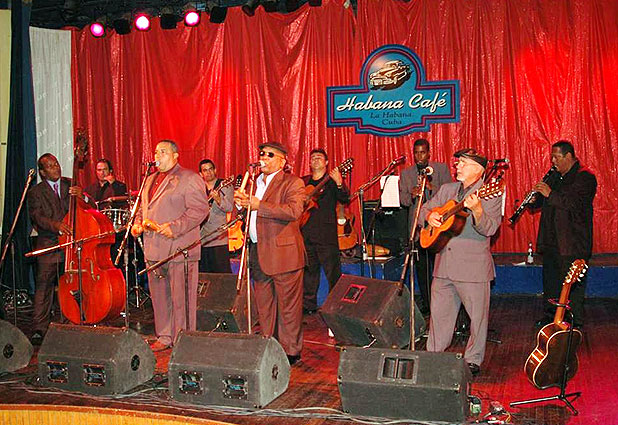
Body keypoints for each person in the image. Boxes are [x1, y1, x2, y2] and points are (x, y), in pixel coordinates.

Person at [419, 148, 502, 376]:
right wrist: (429, 216)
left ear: (479, 169)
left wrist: (477, 211)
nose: (458, 166)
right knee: (439, 317)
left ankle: (472, 360)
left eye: (464, 163)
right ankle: (433, 357)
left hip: (472, 268)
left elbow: (490, 228)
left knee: (477, 319)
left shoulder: (490, 194)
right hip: (443, 265)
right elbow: (424, 209)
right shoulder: (448, 190)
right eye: (458, 162)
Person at [131, 140, 209, 351]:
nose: (158, 156)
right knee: (159, 297)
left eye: (163, 152)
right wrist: (137, 223)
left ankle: (184, 340)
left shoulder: (189, 178)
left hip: (179, 249)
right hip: (153, 249)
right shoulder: (149, 180)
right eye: (156, 152)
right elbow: (143, 209)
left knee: (181, 299)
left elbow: (200, 210)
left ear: (175, 156)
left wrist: (175, 227)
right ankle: (165, 336)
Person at [233, 141, 305, 365]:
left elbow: (294, 211)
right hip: (258, 251)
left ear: (282, 162)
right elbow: (250, 216)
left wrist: (259, 205)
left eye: (270, 155)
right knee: (264, 307)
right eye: (262, 154)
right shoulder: (254, 183)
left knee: (288, 308)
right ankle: (268, 345)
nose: (263, 158)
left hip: (284, 254)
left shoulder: (292, 182)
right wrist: (240, 206)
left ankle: (290, 352)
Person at [532, 140, 596, 329]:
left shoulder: (585, 177)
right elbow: (544, 201)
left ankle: (573, 321)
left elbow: (575, 204)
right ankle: (551, 316)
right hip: (552, 241)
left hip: (573, 242)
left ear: (569, 156)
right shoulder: (555, 176)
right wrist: (533, 199)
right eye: (552, 157)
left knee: (572, 285)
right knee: (551, 281)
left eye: (557, 157)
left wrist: (549, 193)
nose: (553, 161)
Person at [27, 153, 87, 344]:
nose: (56, 168)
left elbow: (89, 207)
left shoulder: (70, 184)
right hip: (50, 245)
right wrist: (57, 226)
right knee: (44, 286)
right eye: (50, 166)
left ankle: (73, 320)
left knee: (72, 286)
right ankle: (39, 328)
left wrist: (82, 197)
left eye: (57, 164)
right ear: (43, 172)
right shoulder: (36, 192)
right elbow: (37, 217)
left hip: (72, 245)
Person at [399, 138, 451, 314]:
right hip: (418, 228)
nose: (419, 156)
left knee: (440, 267)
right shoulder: (406, 174)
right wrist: (412, 195)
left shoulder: (441, 169)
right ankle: (428, 305)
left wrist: (431, 188)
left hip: (440, 226)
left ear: (429, 153)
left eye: (422, 152)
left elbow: (450, 196)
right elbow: (403, 201)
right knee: (422, 269)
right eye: (416, 153)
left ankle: (443, 304)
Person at [300, 148, 349, 314]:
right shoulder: (303, 181)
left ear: (327, 162)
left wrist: (339, 182)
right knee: (309, 273)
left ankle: (336, 307)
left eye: (319, 157)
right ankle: (308, 305)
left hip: (326, 235)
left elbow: (344, 198)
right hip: (306, 232)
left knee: (332, 273)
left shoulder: (332, 181)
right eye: (313, 157)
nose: (315, 159)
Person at [198, 159, 233, 273]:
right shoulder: (198, 188)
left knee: (222, 276)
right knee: (204, 276)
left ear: (215, 170)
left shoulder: (225, 186)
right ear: (201, 174)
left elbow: (229, 207)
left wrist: (218, 199)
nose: (208, 172)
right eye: (205, 170)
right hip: (201, 238)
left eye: (210, 169)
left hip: (218, 238)